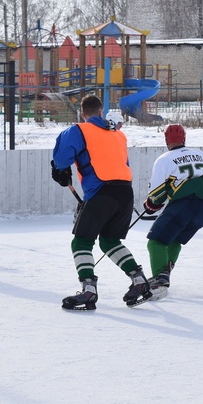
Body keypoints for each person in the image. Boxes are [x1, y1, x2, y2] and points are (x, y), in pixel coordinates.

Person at [51, 94, 154, 311]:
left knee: (81, 242)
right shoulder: (119, 135)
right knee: (109, 241)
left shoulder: (78, 130)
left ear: (82, 114)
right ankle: (139, 279)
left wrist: (60, 170)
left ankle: (89, 290)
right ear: (101, 112)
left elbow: (61, 160)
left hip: (100, 192)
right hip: (125, 192)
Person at [141, 124, 203, 299]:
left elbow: (156, 194)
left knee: (155, 242)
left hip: (184, 203)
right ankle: (165, 273)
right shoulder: (202, 155)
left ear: (166, 140)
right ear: (184, 138)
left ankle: (159, 282)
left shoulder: (164, 159)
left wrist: (151, 205)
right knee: (174, 240)